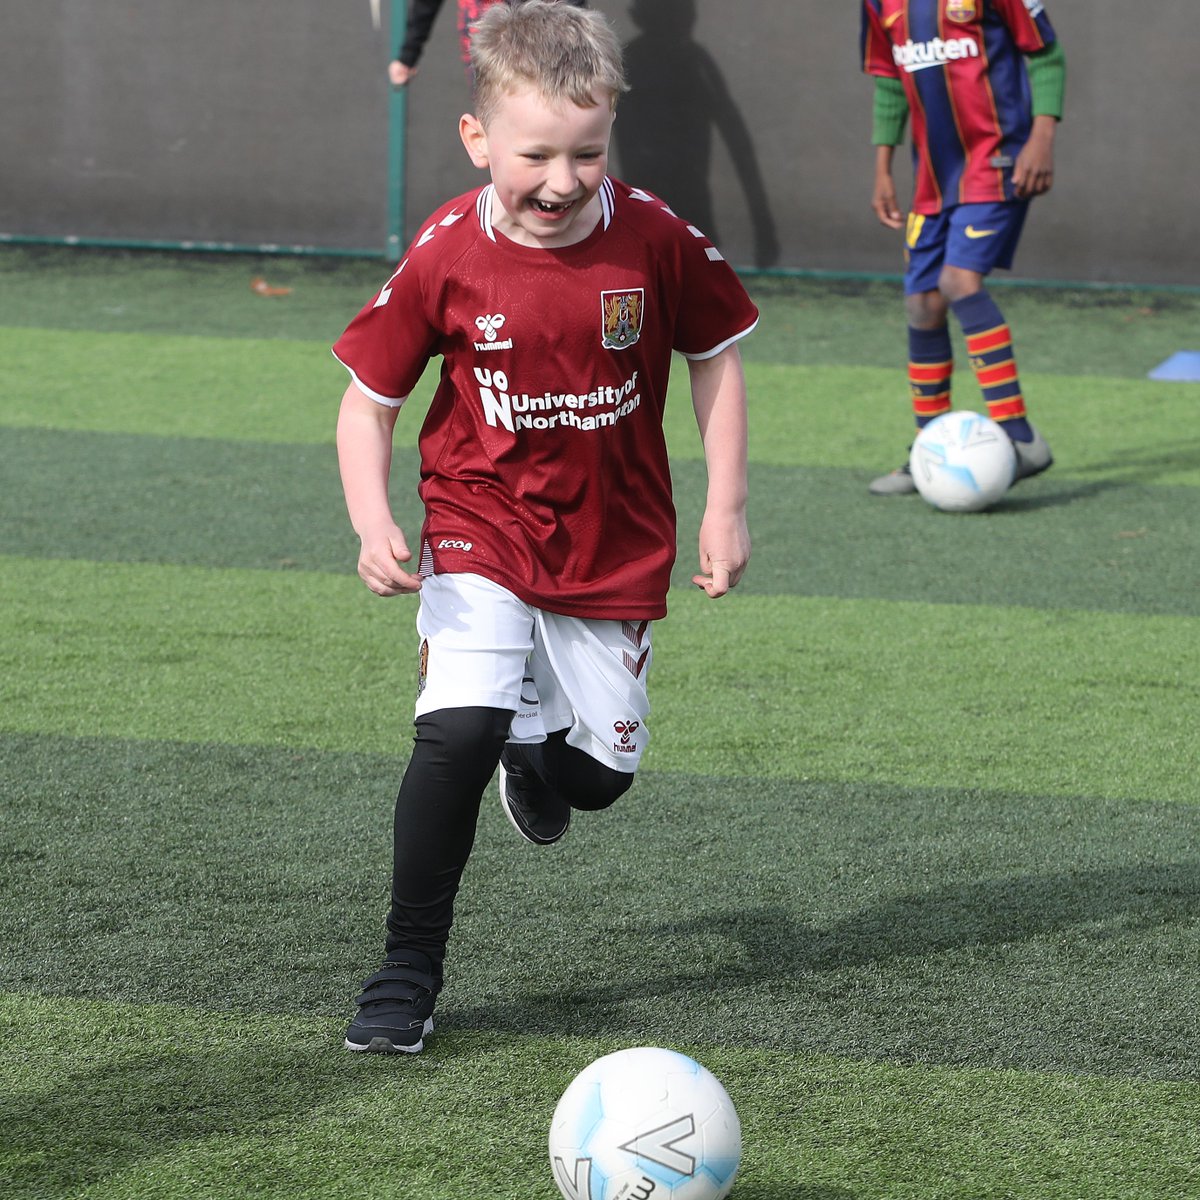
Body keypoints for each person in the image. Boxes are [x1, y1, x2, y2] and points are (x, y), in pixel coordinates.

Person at [335, 0, 758, 1054]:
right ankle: (404, 975)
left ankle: (540, 750)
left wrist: (726, 504)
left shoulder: (655, 236)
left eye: (587, 151)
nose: (564, 180)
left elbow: (716, 356)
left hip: (613, 543)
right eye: (536, 155)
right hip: (479, 519)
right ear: (478, 139)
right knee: (457, 730)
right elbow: (367, 400)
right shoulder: (444, 252)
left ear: (610, 128)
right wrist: (371, 514)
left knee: (598, 780)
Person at [860, 0, 1065, 495]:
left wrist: (1042, 138)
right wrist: (883, 169)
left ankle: (1019, 435)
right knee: (922, 303)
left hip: (998, 161)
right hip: (932, 179)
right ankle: (927, 444)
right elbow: (889, 81)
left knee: (957, 282)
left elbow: (1046, 54)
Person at [387, 0, 586, 88]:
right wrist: (408, 55)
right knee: (499, 126)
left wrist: (572, 40)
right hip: (484, 49)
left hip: (544, 44)